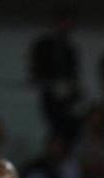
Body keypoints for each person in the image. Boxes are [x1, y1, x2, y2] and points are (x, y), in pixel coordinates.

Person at [29, 7, 81, 140]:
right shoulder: (43, 45)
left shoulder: (70, 49)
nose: (65, 27)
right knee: (54, 124)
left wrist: (70, 87)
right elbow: (35, 72)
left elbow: (74, 76)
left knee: (68, 125)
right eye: (62, 22)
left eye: (68, 23)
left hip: (67, 98)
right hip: (49, 93)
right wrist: (50, 84)